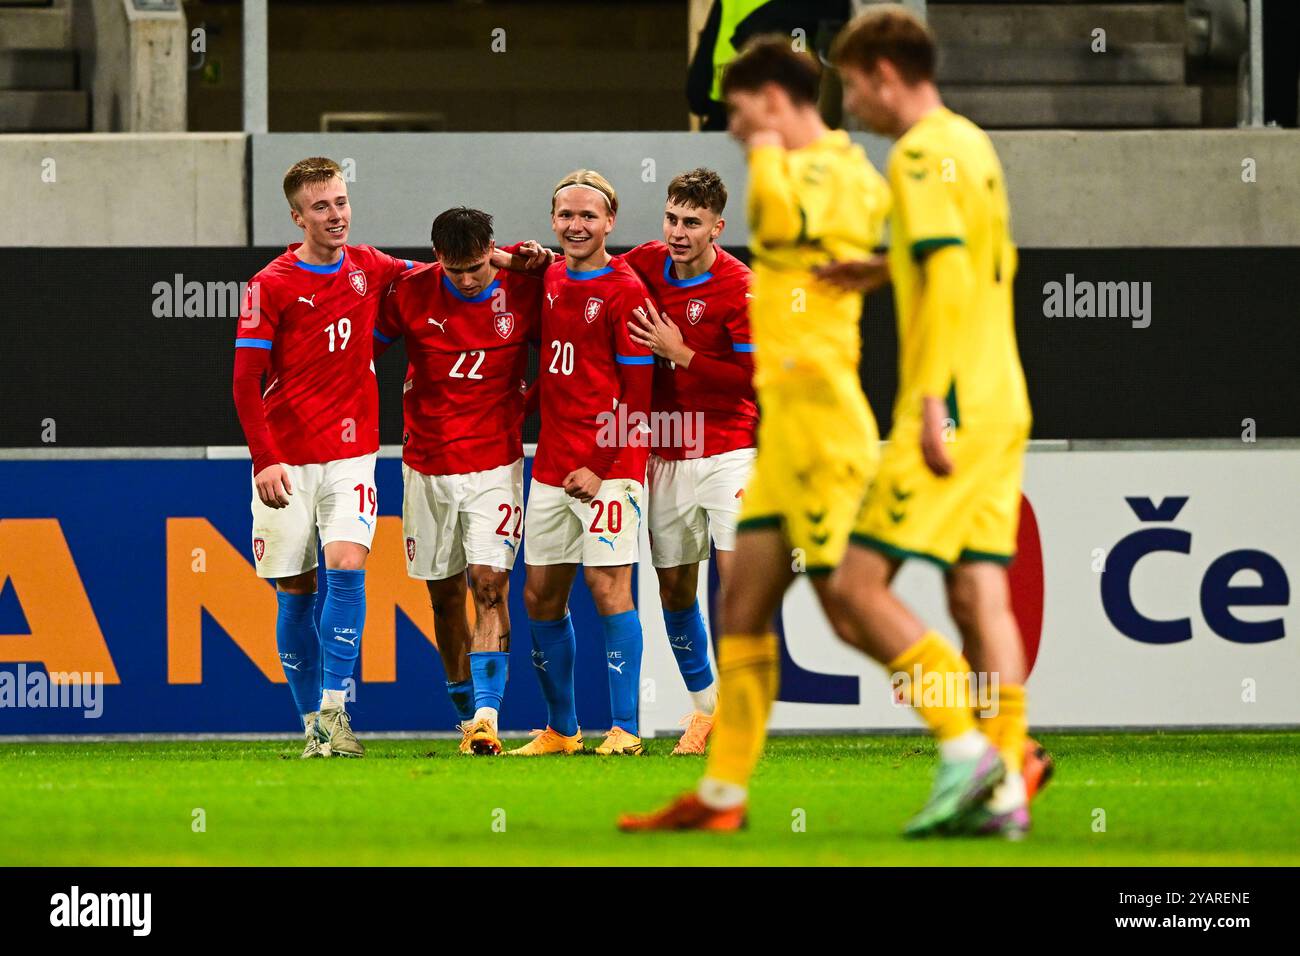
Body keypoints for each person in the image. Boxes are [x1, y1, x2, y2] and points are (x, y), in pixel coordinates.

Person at [232, 157, 413, 758]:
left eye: (340, 202)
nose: (336, 216)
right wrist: (265, 459)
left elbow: (445, 270)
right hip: (287, 458)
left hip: (353, 453)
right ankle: (312, 724)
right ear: (297, 216)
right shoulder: (270, 285)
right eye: (321, 207)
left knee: (347, 564)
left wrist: (511, 257)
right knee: (295, 587)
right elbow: (245, 380)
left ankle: (336, 711)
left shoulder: (369, 265)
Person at [374, 208, 545, 755]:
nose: (467, 280)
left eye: (476, 266)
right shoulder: (411, 292)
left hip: (495, 465)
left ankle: (488, 720)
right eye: (455, 270)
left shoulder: (524, 286)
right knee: (444, 597)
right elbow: (358, 351)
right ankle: (464, 712)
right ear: (436, 258)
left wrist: (536, 260)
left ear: (492, 249)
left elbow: (581, 313)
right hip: (425, 466)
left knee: (489, 584)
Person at [508, 170, 656, 757]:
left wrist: (600, 464)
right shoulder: (548, 276)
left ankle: (624, 729)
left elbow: (639, 396)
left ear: (610, 222)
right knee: (540, 595)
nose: (576, 225)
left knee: (607, 585)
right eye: (566, 215)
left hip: (612, 464)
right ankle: (562, 731)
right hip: (551, 462)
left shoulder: (626, 291)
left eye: (588, 216)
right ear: (553, 221)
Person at [622, 168, 757, 755]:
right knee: (675, 592)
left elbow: (756, 379)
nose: (678, 232)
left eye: (692, 223)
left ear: (717, 228)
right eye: (673, 219)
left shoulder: (740, 287)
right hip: (664, 451)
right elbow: (588, 271)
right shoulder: (647, 262)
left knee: (739, 587)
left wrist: (683, 354)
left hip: (730, 451)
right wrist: (526, 261)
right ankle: (706, 714)